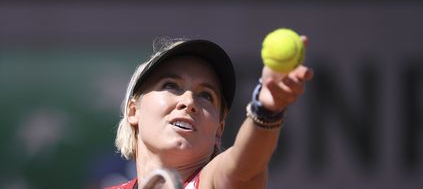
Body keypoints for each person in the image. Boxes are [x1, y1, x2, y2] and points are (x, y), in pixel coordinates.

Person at [105, 37, 313, 189]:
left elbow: (244, 169)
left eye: (206, 95)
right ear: (134, 111)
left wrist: (266, 111)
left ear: (219, 130)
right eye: (171, 85)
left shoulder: (213, 183)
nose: (189, 102)